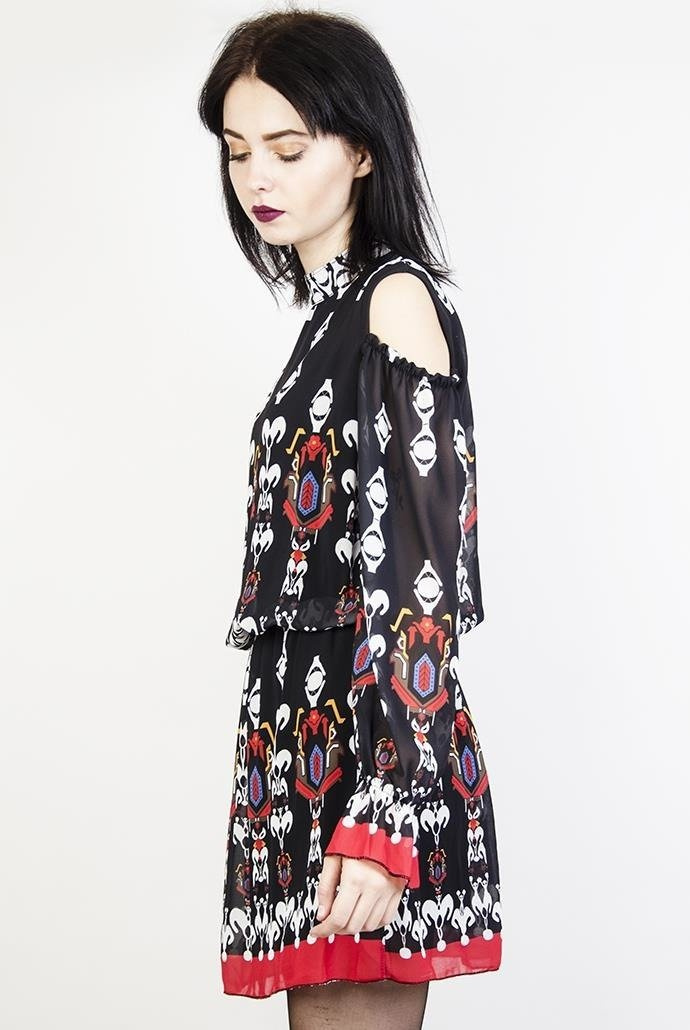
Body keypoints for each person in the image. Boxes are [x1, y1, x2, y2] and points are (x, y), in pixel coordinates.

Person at [198, 7, 503, 1027]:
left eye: (289, 148)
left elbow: (423, 576)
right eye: (239, 149)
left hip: (373, 762)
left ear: (363, 150)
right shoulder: (328, 317)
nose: (258, 177)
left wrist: (385, 812)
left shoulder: (392, 300)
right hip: (306, 749)